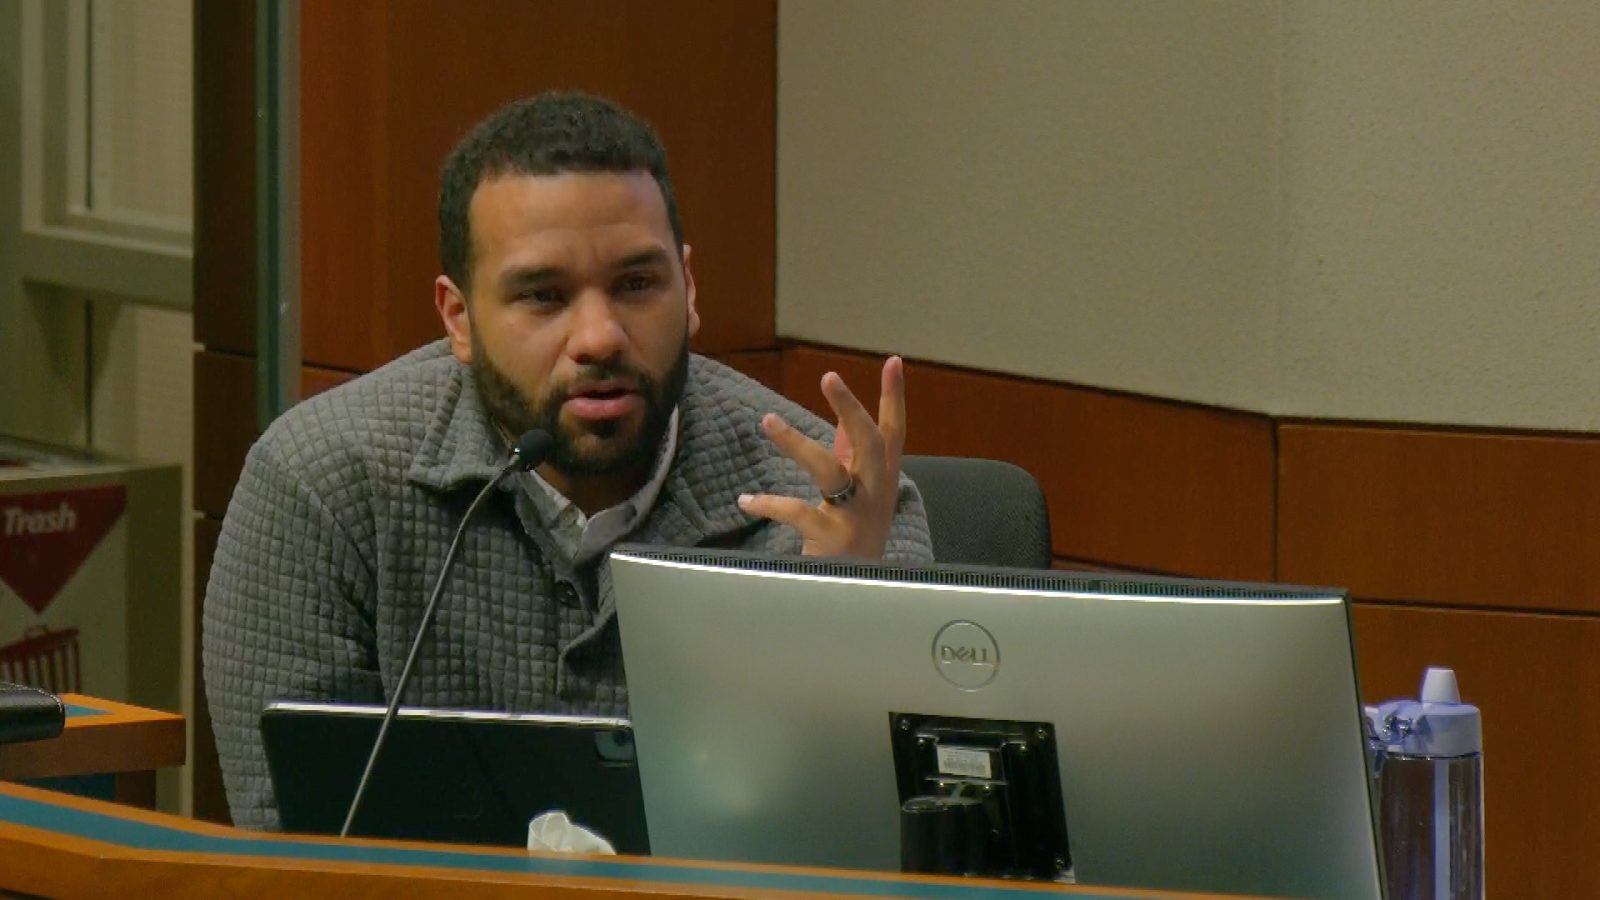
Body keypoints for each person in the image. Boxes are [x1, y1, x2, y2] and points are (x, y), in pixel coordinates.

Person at [202, 92, 933, 831]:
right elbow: (292, 849)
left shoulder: (837, 507)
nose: (600, 337)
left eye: (637, 285)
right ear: (459, 318)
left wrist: (844, 612)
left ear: (690, 289)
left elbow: (891, 852)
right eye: (544, 296)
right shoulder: (320, 486)